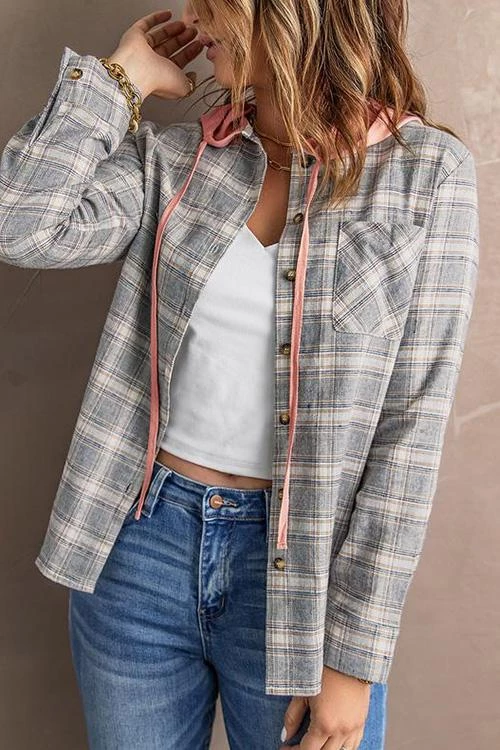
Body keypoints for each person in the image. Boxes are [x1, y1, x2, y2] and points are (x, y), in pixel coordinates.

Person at [0, 2, 479, 749]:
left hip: (302, 578)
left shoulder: (427, 176)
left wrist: (354, 659)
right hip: (139, 548)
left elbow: (409, 434)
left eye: (214, 3)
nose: (195, 16)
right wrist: (118, 81)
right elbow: (20, 224)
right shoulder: (178, 160)